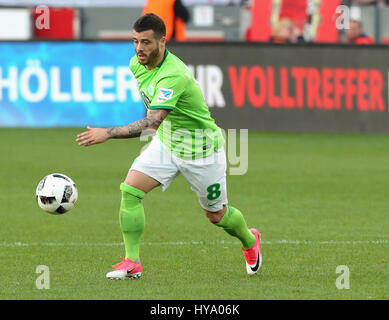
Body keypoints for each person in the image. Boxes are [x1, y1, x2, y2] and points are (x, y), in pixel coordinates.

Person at [76, 13, 262, 280]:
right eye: (135, 41)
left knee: (217, 215)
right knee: (130, 191)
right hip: (167, 143)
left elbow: (152, 121)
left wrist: (108, 132)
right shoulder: (136, 64)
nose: (139, 48)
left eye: (146, 42)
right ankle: (132, 262)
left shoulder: (174, 75)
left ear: (163, 41)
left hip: (202, 152)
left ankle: (249, 239)